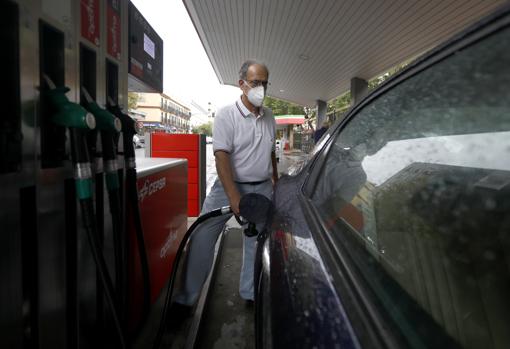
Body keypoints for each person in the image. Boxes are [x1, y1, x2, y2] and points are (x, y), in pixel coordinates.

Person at [173, 60, 278, 310]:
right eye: (255, 82)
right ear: (241, 84)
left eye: (264, 83)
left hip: (262, 187)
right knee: (201, 236)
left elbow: (272, 152)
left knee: (256, 240)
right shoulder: (226, 115)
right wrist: (233, 196)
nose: (260, 88)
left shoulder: (270, 116)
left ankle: (250, 293)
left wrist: (276, 179)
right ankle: (186, 299)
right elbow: (221, 157)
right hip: (228, 187)